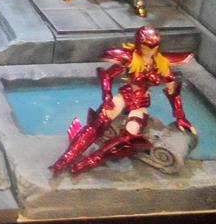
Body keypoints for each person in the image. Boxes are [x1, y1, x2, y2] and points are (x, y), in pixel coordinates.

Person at [50, 25, 195, 175]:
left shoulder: (160, 63)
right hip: (125, 96)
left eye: (154, 47)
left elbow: (173, 90)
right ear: (139, 44)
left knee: (129, 137)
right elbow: (106, 75)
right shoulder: (130, 59)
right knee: (99, 122)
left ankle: (92, 160)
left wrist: (180, 116)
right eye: (146, 47)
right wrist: (107, 97)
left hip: (140, 103)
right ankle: (64, 159)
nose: (150, 50)